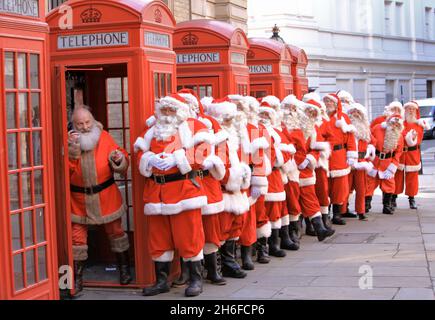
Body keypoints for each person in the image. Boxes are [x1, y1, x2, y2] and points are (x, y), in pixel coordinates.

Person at [134, 93, 213, 297]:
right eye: (164, 110)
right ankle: (162, 280)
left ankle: (196, 279)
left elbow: (203, 152)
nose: (167, 114)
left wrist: (177, 159)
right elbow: (139, 153)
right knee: (158, 239)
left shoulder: (194, 127)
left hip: (183, 189)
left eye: (171, 110)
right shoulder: (151, 130)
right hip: (156, 192)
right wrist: (149, 159)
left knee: (190, 236)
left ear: (180, 111)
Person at [68, 106, 132, 295]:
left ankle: (124, 269)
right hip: (78, 199)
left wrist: (118, 158)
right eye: (80, 124)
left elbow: (122, 158)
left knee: (117, 233)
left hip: (106, 196)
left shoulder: (103, 136)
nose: (85, 127)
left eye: (87, 122)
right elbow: (62, 172)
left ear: (93, 121)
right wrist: (72, 151)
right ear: (74, 125)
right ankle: (76, 280)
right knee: (77, 240)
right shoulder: (70, 141)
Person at [177, 89, 227, 286]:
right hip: (185, 184)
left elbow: (223, 150)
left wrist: (218, 166)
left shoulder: (209, 123)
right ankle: (187, 271)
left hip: (207, 180)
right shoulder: (173, 127)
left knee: (210, 227)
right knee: (188, 228)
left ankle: (213, 269)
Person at [206, 97, 252, 278]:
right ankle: (221, 264)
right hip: (222, 189)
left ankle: (229, 260)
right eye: (227, 118)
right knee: (222, 228)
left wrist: (244, 173)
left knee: (235, 225)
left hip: (236, 189)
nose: (230, 122)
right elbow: (216, 167)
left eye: (231, 118)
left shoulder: (234, 136)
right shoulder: (215, 139)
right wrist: (231, 178)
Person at [295, 100, 336, 241]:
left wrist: (310, 158)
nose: (310, 115)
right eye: (309, 112)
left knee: (310, 198)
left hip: (306, 169)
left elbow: (318, 148)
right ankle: (295, 231)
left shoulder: (314, 129)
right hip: (291, 169)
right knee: (293, 201)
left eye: (313, 113)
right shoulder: (292, 126)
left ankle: (320, 229)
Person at [323, 93, 358, 225]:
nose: (328, 104)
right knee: (325, 186)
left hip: (339, 155)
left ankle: (337, 214)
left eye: (330, 102)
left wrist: (351, 155)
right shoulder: (322, 118)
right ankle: (326, 213)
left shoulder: (343, 118)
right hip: (325, 156)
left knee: (339, 187)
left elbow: (350, 138)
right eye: (326, 102)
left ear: (336, 104)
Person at [393, 101, 430, 209]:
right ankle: (393, 197)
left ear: (416, 111)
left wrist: (408, 136)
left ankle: (411, 198)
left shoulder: (419, 124)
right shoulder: (400, 123)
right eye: (408, 108)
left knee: (412, 178)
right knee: (397, 176)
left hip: (413, 153)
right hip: (401, 153)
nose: (410, 110)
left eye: (412, 109)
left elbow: (417, 140)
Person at [341, 103, 375, 221]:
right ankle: (342, 210)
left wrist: (370, 148)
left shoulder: (365, 129)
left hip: (361, 162)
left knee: (361, 189)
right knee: (346, 188)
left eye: (358, 113)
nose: (355, 115)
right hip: (348, 161)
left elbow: (372, 141)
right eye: (353, 112)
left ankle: (361, 211)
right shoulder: (346, 129)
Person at [366, 115, 404, 215]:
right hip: (375, 160)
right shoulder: (377, 128)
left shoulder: (399, 136)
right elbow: (369, 141)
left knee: (389, 184)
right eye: (392, 123)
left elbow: (399, 152)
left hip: (388, 162)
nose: (394, 125)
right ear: (388, 122)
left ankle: (387, 205)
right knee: (369, 183)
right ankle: (366, 203)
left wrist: (393, 166)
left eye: (397, 124)